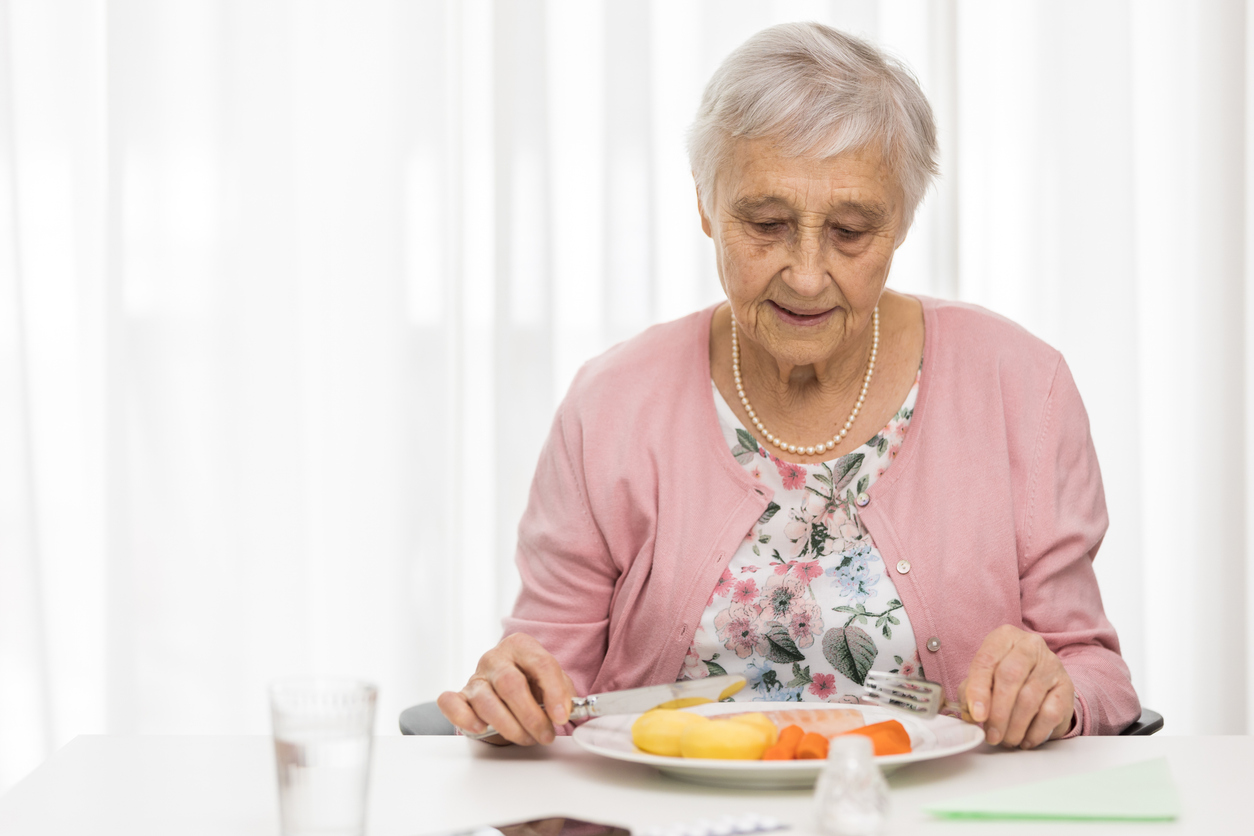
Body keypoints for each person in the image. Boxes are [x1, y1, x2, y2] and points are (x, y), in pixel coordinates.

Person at [437, 21, 1140, 750]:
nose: (806, 274)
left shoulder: (1020, 386)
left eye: (851, 231)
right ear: (706, 205)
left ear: (900, 222)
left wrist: (1056, 689)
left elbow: (1095, 672)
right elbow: (550, 676)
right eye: (767, 223)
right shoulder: (610, 403)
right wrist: (517, 692)